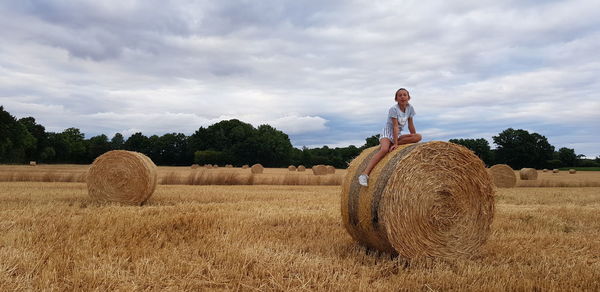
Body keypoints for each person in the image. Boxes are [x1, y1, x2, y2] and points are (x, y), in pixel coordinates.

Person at [358, 88, 422, 187]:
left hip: (398, 134)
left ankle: (393, 144)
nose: (402, 97)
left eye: (405, 95)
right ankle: (364, 174)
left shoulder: (410, 108)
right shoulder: (393, 109)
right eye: (399, 95)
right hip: (388, 133)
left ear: (409, 97)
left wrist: (413, 139)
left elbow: (410, 124)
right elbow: (395, 126)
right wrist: (396, 143)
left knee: (418, 137)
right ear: (396, 99)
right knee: (384, 149)